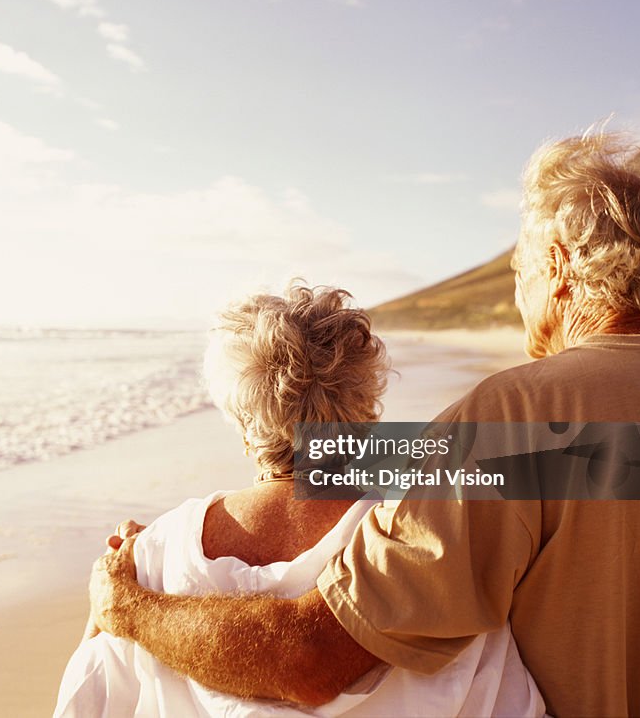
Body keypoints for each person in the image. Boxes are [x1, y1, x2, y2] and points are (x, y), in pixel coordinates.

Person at [88, 133, 640, 716]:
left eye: (520, 271)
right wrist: (319, 442)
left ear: (559, 263)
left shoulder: (516, 416)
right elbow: (612, 463)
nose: (521, 294)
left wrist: (133, 608)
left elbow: (312, 661)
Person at [57, 284, 544, 716]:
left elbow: (86, 701)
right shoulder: (422, 546)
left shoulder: (146, 560)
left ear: (241, 419)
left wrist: (127, 581)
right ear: (365, 414)